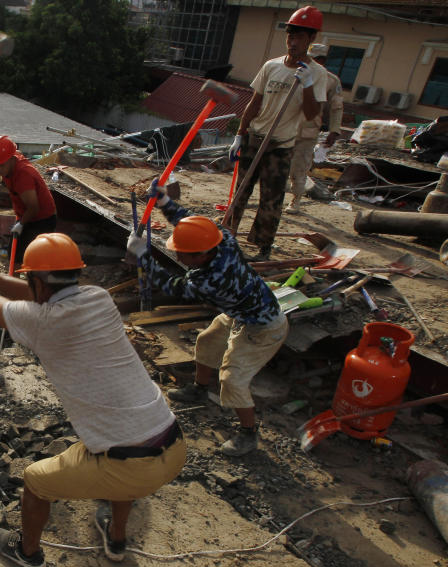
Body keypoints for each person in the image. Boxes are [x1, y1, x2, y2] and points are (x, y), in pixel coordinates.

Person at [0, 229, 184, 567]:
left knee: (34, 481)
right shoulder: (99, 297)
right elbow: (32, 292)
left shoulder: (42, 321)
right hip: (172, 444)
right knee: (115, 452)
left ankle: (28, 554)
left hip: (129, 467)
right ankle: (116, 538)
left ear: (39, 283)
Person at [130, 180, 288, 457]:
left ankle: (248, 435)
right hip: (242, 311)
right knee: (207, 341)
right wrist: (165, 202)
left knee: (232, 379)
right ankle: (199, 389)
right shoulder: (222, 239)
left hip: (262, 327)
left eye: (181, 253)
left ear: (201, 256)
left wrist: (144, 257)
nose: (177, 254)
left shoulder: (211, 281)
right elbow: (190, 225)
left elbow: (172, 287)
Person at [226, 5, 327, 261]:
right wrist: (240, 133)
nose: (293, 42)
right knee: (241, 191)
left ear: (311, 39)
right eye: (290, 36)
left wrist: (307, 85)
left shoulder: (317, 74)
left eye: (299, 37)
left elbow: (313, 114)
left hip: (281, 145)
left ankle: (263, 247)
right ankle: (228, 237)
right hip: (255, 137)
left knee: (271, 199)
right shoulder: (271, 66)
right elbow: (254, 102)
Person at [286, 43, 344, 214]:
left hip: (307, 131)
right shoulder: (292, 72)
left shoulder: (331, 80)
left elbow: (336, 107)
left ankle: (295, 201)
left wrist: (334, 130)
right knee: (277, 165)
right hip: (285, 127)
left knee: (300, 167)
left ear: (323, 60)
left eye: (316, 58)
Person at [0, 135, 57, 268]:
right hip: (26, 217)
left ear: (11, 159)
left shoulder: (23, 175)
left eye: (1, 165)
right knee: (15, 255)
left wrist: (21, 224)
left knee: (33, 261)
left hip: (41, 220)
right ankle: (14, 281)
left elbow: (34, 208)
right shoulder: (9, 166)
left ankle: (29, 285)